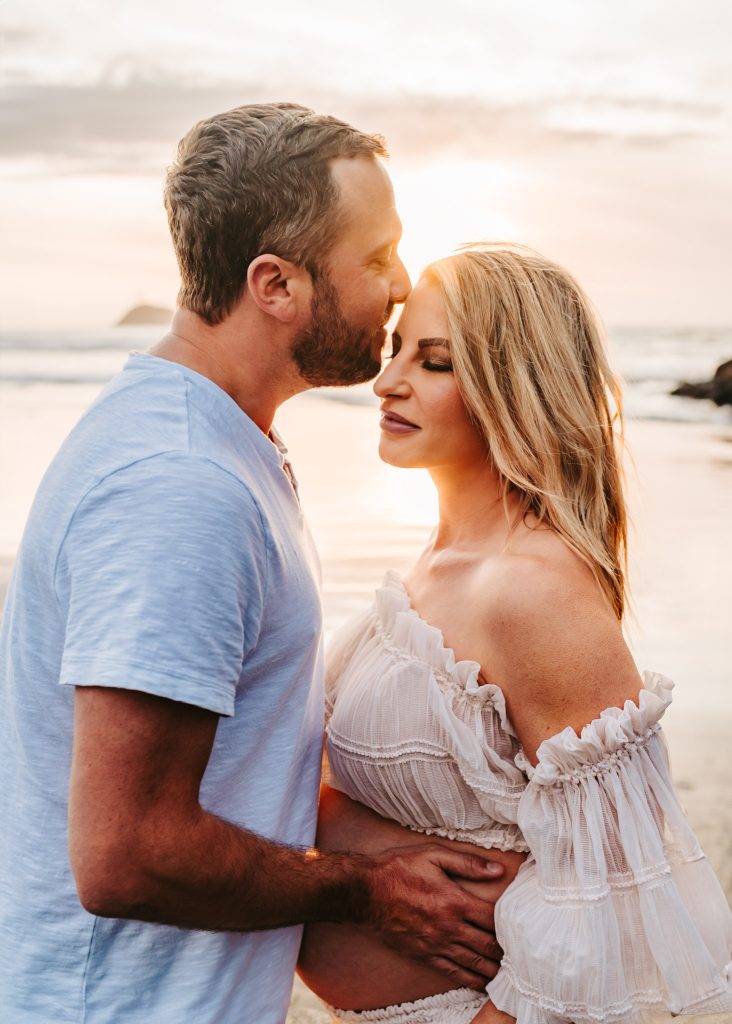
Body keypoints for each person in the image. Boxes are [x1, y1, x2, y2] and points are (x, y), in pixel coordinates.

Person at [0, 106, 513, 1024]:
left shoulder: (216, 445)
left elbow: (242, 763)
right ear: (276, 284)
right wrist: (369, 891)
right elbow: (126, 855)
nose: (401, 284)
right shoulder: (181, 486)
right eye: (376, 256)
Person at [298, 245, 732, 1023]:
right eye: (398, 349)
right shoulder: (442, 562)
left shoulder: (534, 589)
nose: (388, 381)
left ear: (515, 387)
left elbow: (608, 909)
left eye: (435, 362)